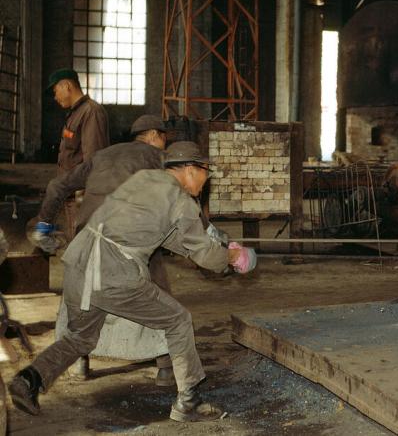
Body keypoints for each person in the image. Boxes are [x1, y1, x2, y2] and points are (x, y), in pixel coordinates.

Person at [9, 141, 257, 423]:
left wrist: (219, 251)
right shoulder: (181, 202)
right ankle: (188, 401)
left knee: (81, 337)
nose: (206, 179)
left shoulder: (143, 179)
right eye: (205, 172)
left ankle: (28, 380)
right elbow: (205, 256)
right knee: (178, 320)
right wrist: (233, 257)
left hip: (79, 263)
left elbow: (172, 238)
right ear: (189, 169)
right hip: (113, 271)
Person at [33, 114, 173, 383]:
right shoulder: (158, 158)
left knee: (83, 293)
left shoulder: (103, 156)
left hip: (88, 235)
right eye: (164, 139)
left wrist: (44, 223)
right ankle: (165, 364)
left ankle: (80, 363)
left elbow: (57, 185)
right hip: (128, 237)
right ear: (155, 135)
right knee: (158, 287)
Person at [46, 68, 110, 241]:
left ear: (66, 86)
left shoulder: (91, 112)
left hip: (82, 198)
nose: (55, 97)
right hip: (71, 194)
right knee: (76, 245)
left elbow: (94, 160)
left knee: (84, 246)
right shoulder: (76, 113)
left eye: (55, 91)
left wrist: (86, 201)